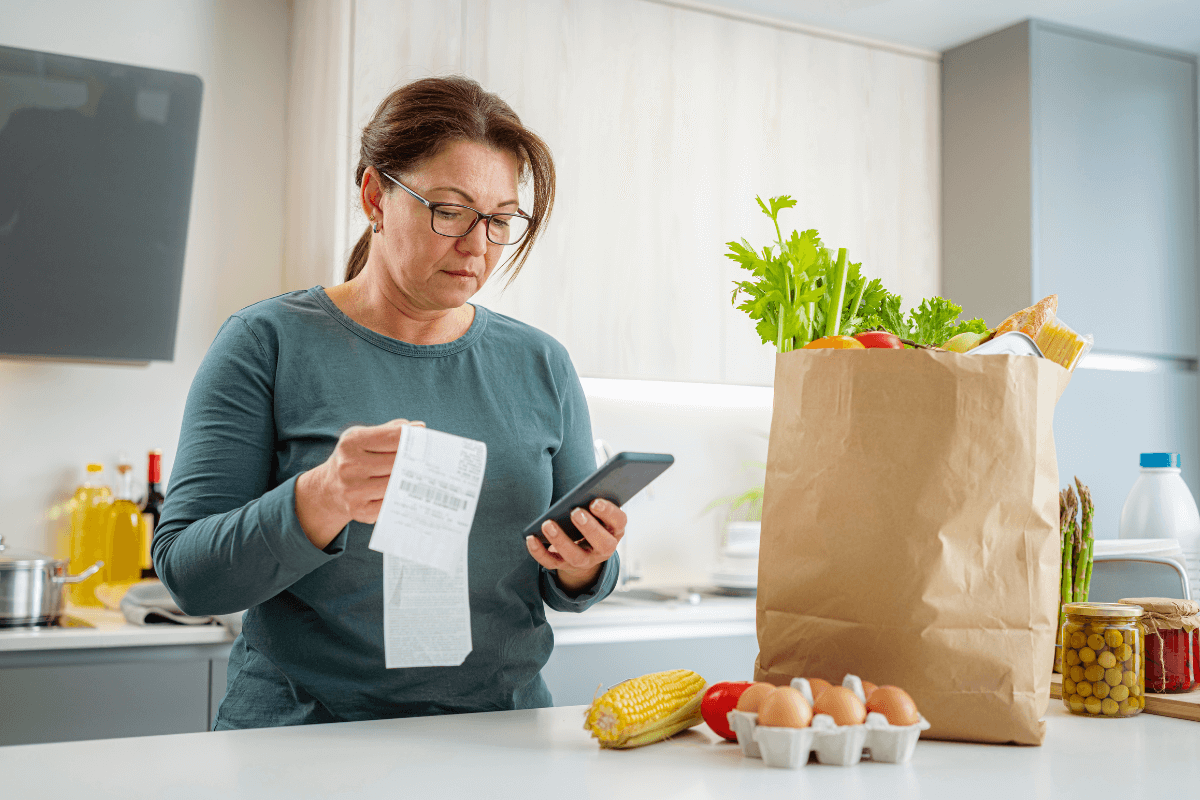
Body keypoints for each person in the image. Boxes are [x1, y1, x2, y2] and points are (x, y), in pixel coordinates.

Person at [154, 76, 625, 729]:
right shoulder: (266, 343)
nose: (477, 245)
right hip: (306, 739)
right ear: (375, 197)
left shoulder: (541, 364)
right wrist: (319, 498)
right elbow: (188, 574)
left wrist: (585, 564)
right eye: (450, 210)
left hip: (500, 736)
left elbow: (567, 586)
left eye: (499, 219)